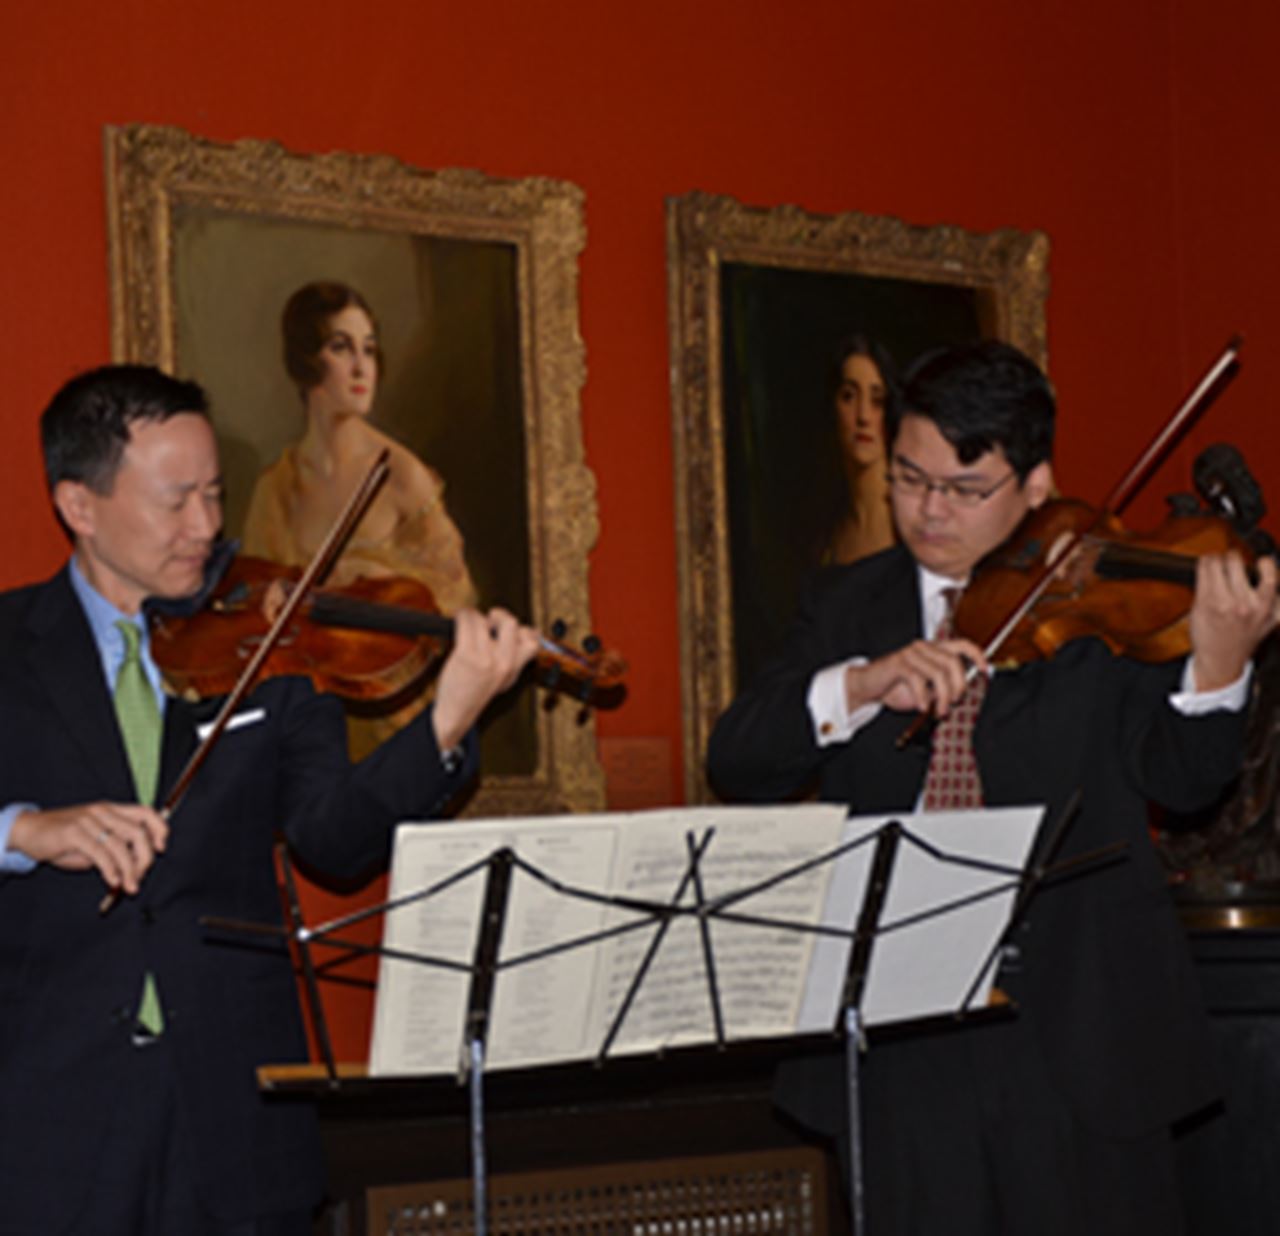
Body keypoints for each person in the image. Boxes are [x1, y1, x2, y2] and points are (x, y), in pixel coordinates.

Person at [706, 340, 1277, 1235]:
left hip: (1081, 1036)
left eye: (964, 488)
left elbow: (1186, 781)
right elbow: (736, 758)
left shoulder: (1100, 600)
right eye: (908, 476)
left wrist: (1221, 665)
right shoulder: (845, 606)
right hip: (901, 1044)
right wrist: (859, 684)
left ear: (1036, 486)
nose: (929, 510)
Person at [0, 364, 538, 1235]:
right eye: (176, 502)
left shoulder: (276, 638)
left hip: (235, 1119)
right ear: (79, 504)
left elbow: (335, 840)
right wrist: (23, 828)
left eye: (214, 493)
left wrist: (445, 723)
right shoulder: (7, 648)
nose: (207, 526)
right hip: (48, 1127)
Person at [242, 281, 477, 753]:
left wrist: (380, 580)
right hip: (306, 717)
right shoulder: (277, 486)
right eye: (340, 347)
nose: (360, 367)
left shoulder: (401, 474)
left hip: (388, 709)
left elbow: (459, 599)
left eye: (368, 350)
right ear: (307, 361)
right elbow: (251, 599)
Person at [820, 333, 897, 566]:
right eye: (849, 397)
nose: (863, 416)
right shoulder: (828, 540)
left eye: (877, 400)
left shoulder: (912, 520)